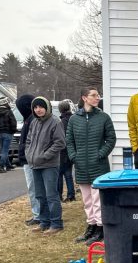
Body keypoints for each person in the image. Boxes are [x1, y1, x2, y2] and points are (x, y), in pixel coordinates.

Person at [66, 88, 116, 245]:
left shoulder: (103, 118)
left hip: (99, 166)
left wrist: (100, 154)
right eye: (94, 95)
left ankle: (101, 229)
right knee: (87, 200)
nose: (97, 98)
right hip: (81, 166)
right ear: (84, 98)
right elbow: (69, 141)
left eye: (98, 95)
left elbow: (111, 138)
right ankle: (91, 226)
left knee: (97, 199)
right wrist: (74, 157)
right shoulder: (74, 119)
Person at [26, 97, 66, 234]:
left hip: (49, 164)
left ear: (47, 107)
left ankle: (56, 223)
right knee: (40, 195)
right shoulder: (34, 122)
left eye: (41, 107)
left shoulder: (55, 122)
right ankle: (44, 221)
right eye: (36, 107)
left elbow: (60, 142)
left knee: (51, 195)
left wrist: (45, 155)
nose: (38, 110)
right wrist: (29, 153)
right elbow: (29, 140)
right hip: (35, 164)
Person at [16, 94, 40, 226]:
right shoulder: (27, 119)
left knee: (34, 188)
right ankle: (37, 213)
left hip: (30, 159)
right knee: (33, 188)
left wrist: (28, 155)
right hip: (26, 159)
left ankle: (38, 214)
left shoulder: (32, 120)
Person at [0, 96, 18, 173]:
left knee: (4, 149)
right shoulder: (9, 112)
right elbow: (13, 123)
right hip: (8, 133)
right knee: (5, 151)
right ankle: (2, 167)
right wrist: (13, 131)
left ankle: (8, 165)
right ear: (6, 103)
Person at [57, 100, 75, 202]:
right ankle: (71, 195)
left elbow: (62, 138)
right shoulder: (73, 119)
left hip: (63, 151)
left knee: (59, 174)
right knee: (68, 174)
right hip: (72, 151)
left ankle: (59, 195)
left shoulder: (62, 122)